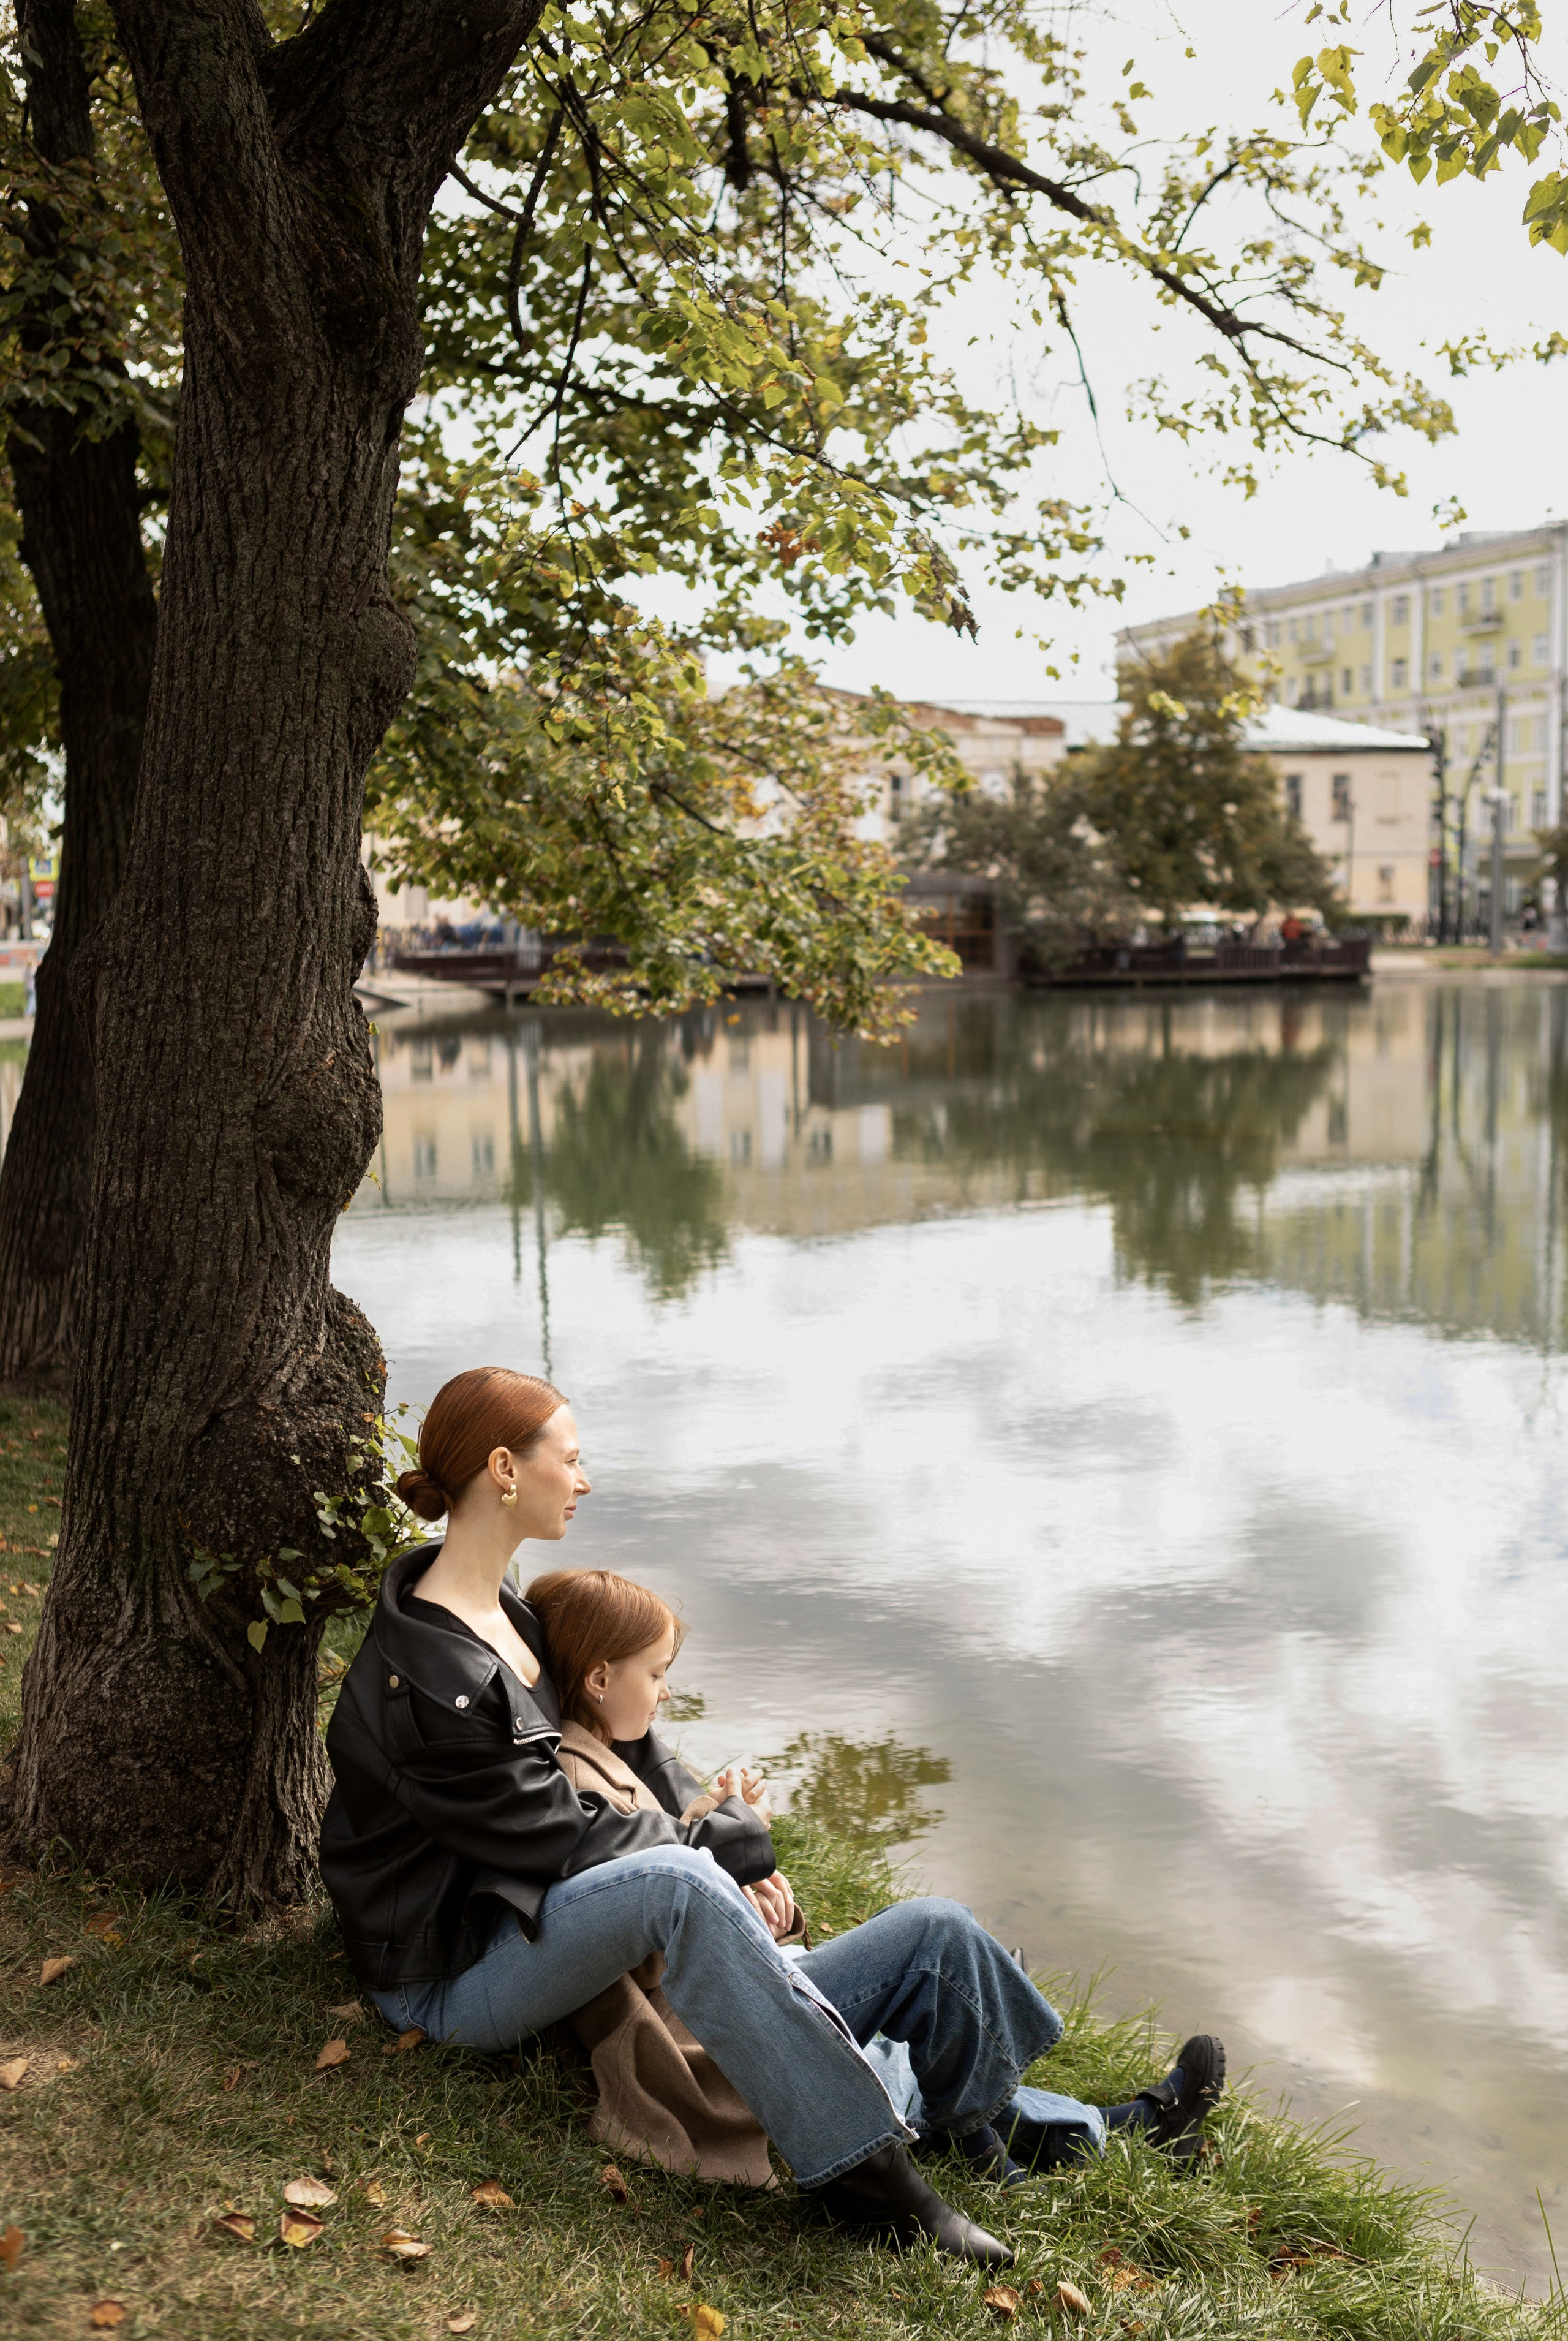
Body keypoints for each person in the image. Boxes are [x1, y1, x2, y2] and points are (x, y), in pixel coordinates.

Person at [320, 1367, 1225, 2266]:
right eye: (572, 1457)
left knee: (932, 1928)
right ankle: (870, 2181)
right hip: (455, 1973)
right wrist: (713, 1846)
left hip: (530, 1915)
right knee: (679, 1882)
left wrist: (718, 1819)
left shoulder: (505, 1612)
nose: (585, 1479)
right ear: (505, 1469)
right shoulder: (433, 1679)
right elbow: (561, 1835)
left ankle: (1085, 2127)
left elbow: (625, 1749)